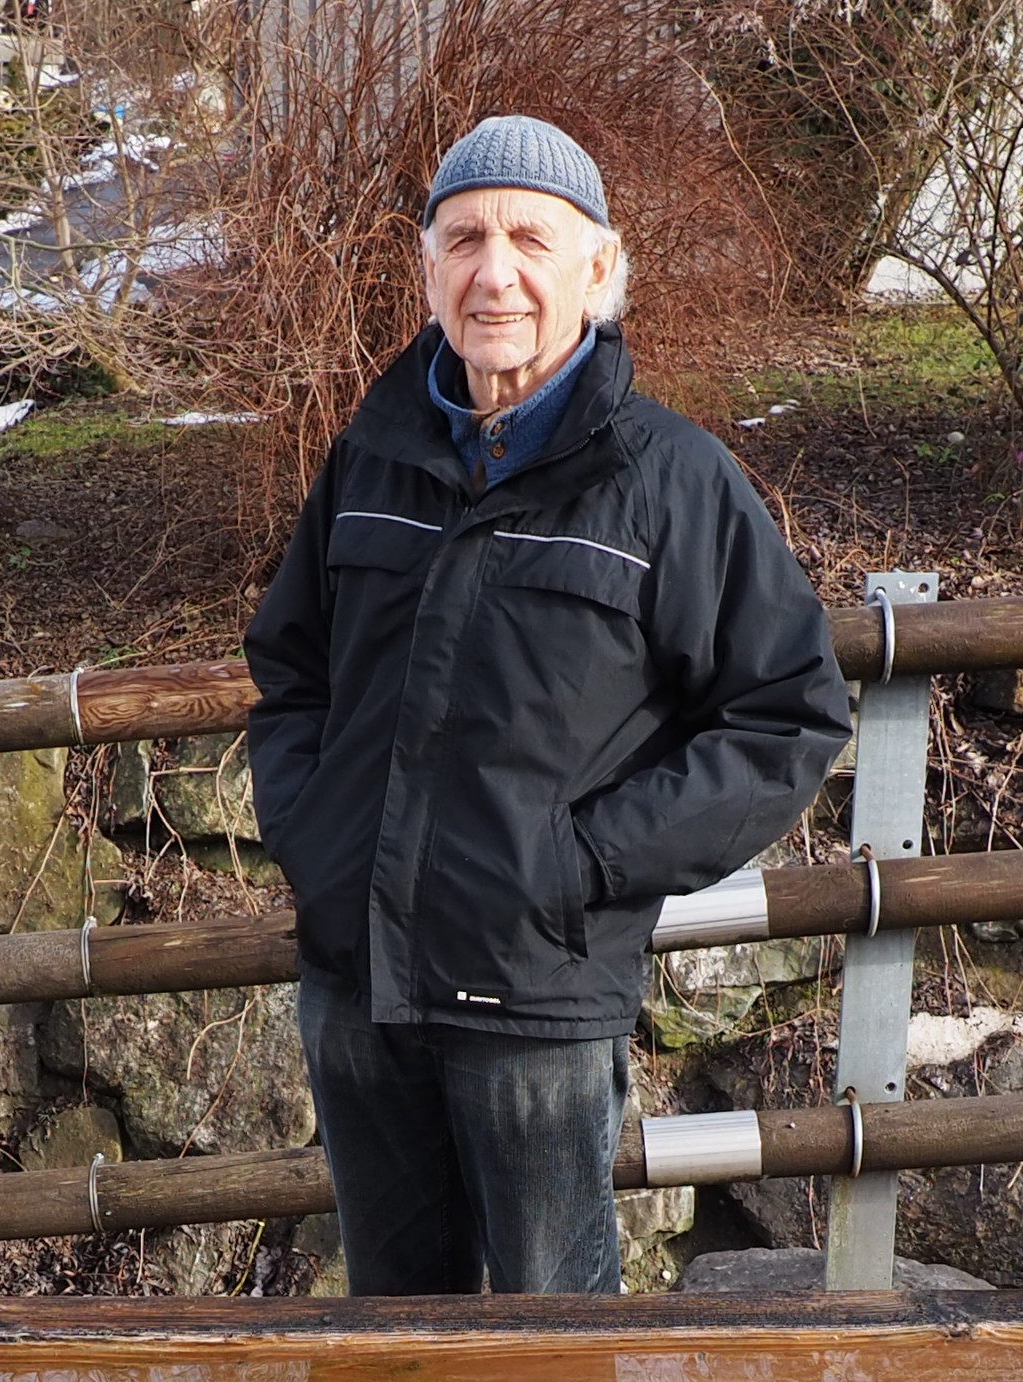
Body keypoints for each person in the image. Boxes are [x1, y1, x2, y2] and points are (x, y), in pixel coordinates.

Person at [245, 114, 856, 1296]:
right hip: (358, 984)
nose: (496, 272)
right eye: (465, 238)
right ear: (426, 268)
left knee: (553, 1349)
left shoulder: (668, 478)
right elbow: (292, 671)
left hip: (534, 998)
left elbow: (788, 711)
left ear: (598, 267)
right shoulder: (370, 456)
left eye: (532, 237)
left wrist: (578, 862)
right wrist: (317, 839)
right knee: (396, 1336)